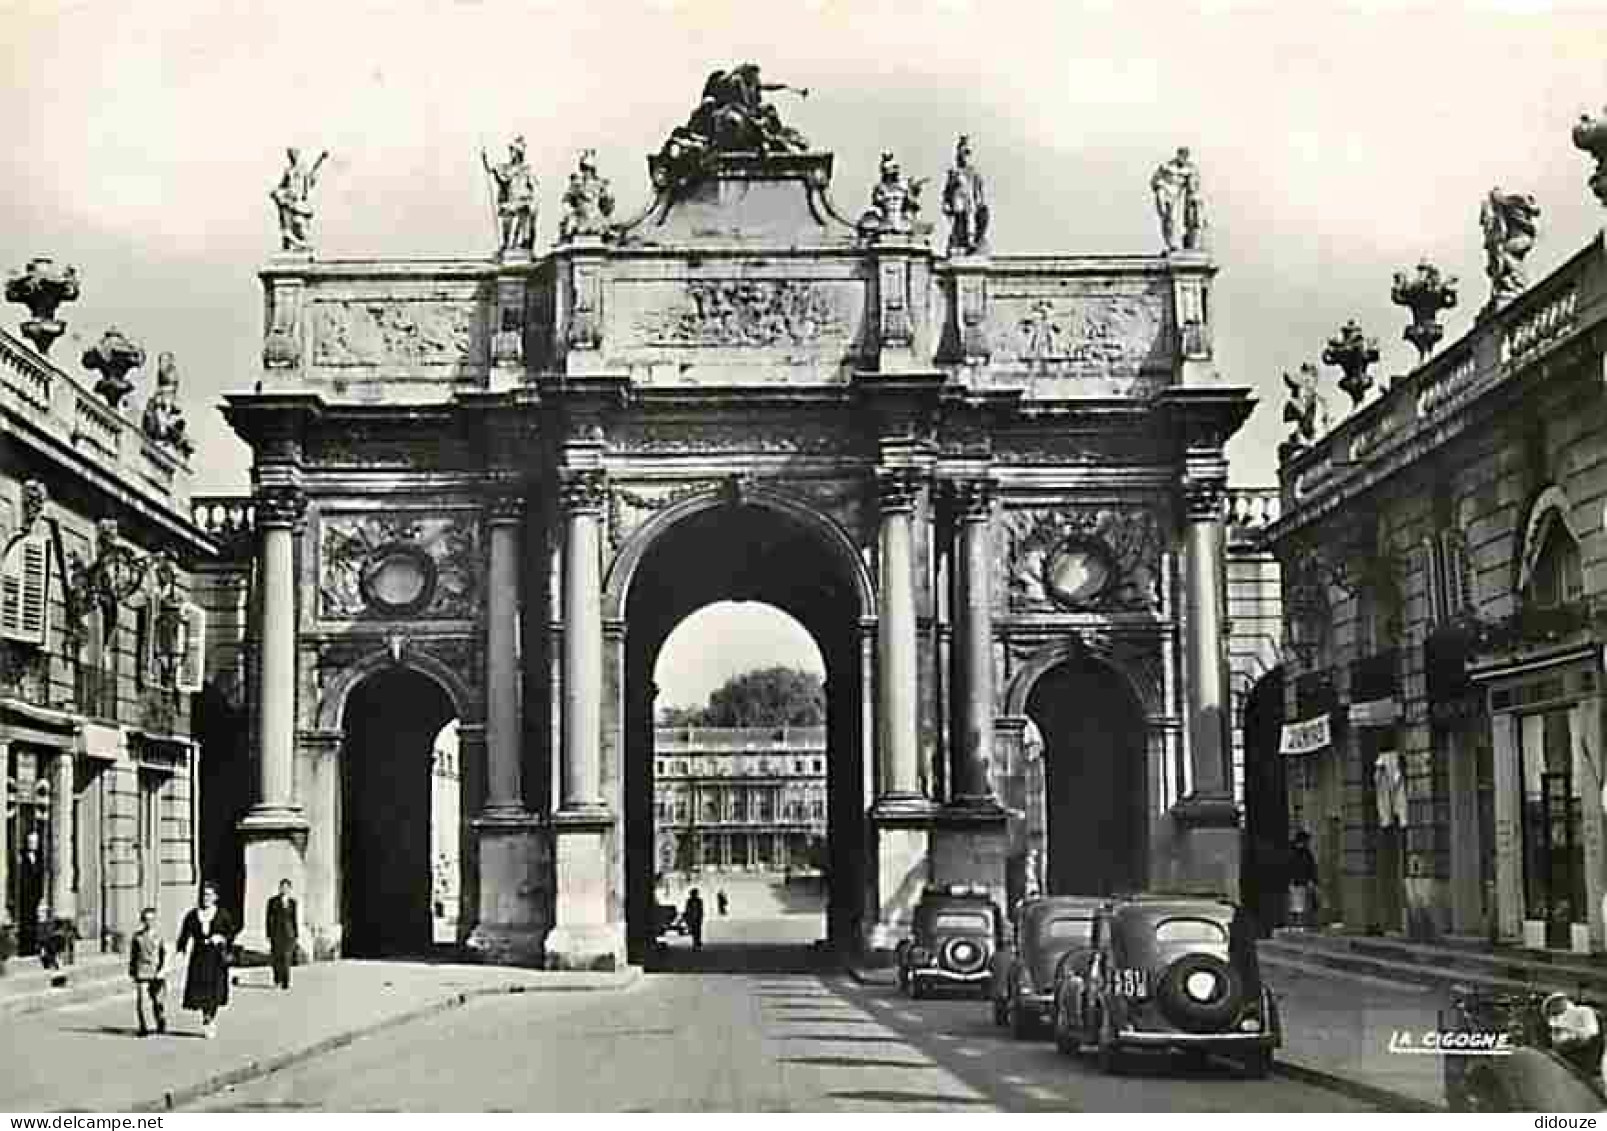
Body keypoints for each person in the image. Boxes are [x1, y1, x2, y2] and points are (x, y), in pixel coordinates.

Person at [176, 881, 237, 1038]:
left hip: (216, 957)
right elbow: (185, 933)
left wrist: (222, 938)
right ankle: (206, 1016)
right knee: (201, 989)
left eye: (209, 895)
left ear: (215, 897)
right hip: (199, 956)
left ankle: (210, 1019)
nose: (206, 898)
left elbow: (230, 933)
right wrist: (181, 950)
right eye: (204, 895)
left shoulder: (222, 914)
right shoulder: (193, 914)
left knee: (214, 991)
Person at [1543, 992, 1607, 1095]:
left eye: (1556, 1013)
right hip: (1575, 1077)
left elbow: (1589, 1036)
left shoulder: (1584, 1014)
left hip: (1586, 1077)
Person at [127, 906, 168, 1037]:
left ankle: (160, 1019)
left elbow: (164, 954)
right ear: (142, 921)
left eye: (151, 919)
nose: (148, 922)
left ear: (155, 921)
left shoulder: (160, 936)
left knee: (158, 1001)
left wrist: (163, 969)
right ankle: (143, 1026)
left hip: (156, 972)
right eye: (146, 919)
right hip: (142, 971)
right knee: (142, 1000)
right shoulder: (137, 937)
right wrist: (132, 971)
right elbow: (133, 955)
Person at [16, 829, 45, 956]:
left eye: (35, 842)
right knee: (25, 922)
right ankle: (25, 948)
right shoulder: (21, 857)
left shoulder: (39, 858)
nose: (33, 844)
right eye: (30, 842)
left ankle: (33, 947)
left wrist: (41, 895)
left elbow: (40, 877)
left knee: (34, 922)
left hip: (35, 896)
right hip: (23, 896)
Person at [266, 877, 299, 990]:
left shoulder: (293, 902)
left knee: (286, 957)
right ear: (279, 888)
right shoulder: (272, 901)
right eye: (282, 887)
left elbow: (294, 918)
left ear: (290, 889)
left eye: (287, 887)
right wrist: (269, 933)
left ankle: (285, 981)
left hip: (289, 934)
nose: (284, 889)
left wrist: (296, 934)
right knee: (276, 958)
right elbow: (268, 918)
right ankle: (277, 979)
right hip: (276, 933)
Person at [1287, 831, 1318, 928]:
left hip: (1302, 882)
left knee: (1302, 905)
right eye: (1307, 840)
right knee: (1295, 905)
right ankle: (1295, 924)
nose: (1308, 843)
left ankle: (1301, 924)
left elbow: (1311, 867)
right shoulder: (1291, 851)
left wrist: (1314, 880)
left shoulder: (1306, 853)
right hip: (1294, 882)